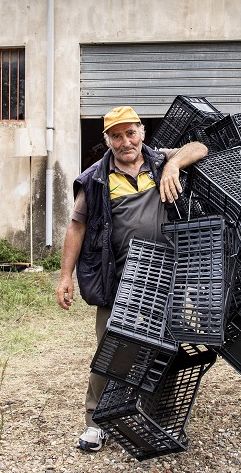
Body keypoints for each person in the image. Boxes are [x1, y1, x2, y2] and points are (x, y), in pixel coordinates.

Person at [55, 106, 208, 453]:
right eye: (117, 136)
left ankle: (159, 413)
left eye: (131, 133)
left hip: (165, 274)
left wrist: (173, 165)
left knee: (166, 347)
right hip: (118, 279)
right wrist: (66, 276)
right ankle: (95, 423)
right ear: (107, 140)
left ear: (142, 132)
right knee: (112, 350)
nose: (125, 142)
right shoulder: (96, 178)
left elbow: (200, 147)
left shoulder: (158, 161)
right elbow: (77, 226)